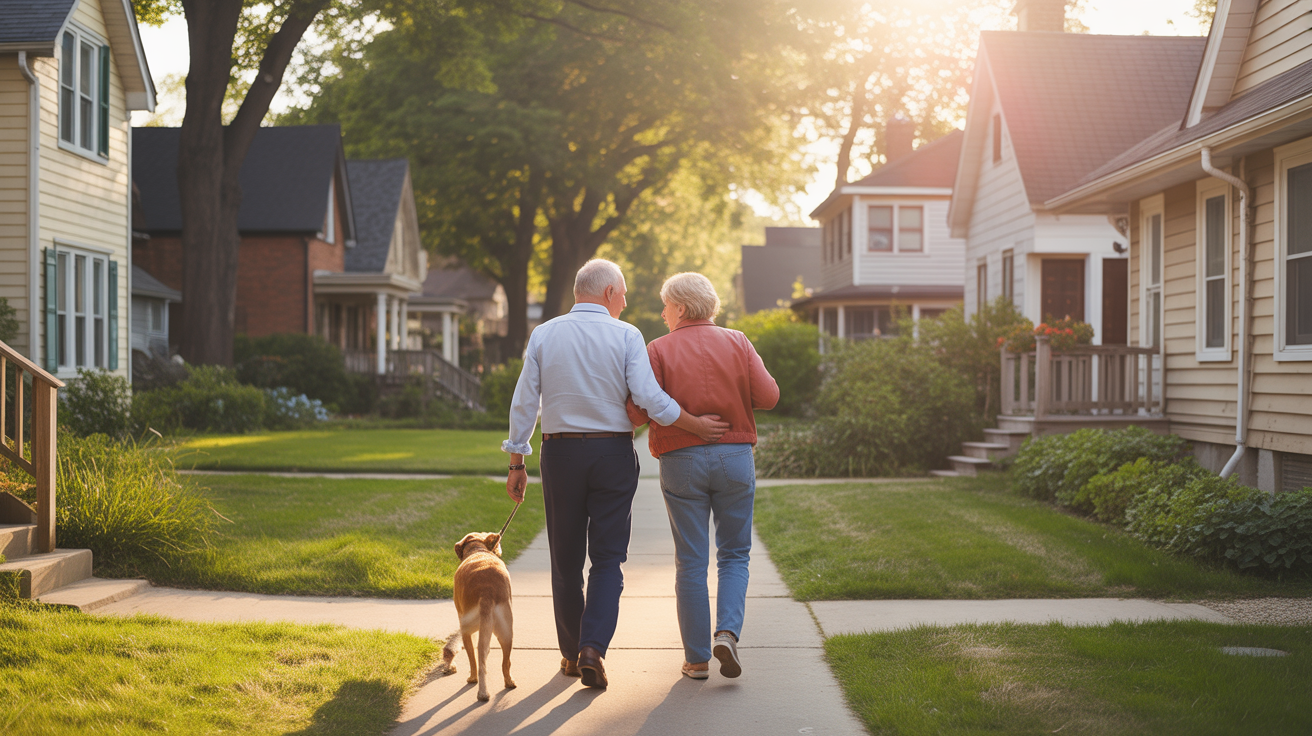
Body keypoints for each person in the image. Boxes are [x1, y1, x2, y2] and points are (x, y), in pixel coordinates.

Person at [503, 259, 729, 690]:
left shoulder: (545, 334)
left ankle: (571, 655)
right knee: (608, 558)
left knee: (565, 560)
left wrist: (517, 460)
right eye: (623, 294)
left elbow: (524, 400)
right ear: (608, 293)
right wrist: (695, 424)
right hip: (611, 454)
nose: (625, 303)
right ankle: (593, 647)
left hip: (560, 454)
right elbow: (649, 398)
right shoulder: (626, 335)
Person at [626, 272, 779, 681]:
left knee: (691, 562)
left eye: (665, 305)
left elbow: (637, 411)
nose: (662, 313)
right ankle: (727, 633)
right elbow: (768, 397)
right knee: (734, 554)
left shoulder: (656, 349)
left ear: (679, 307)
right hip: (735, 459)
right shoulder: (739, 341)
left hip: (682, 460)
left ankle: (696, 660)